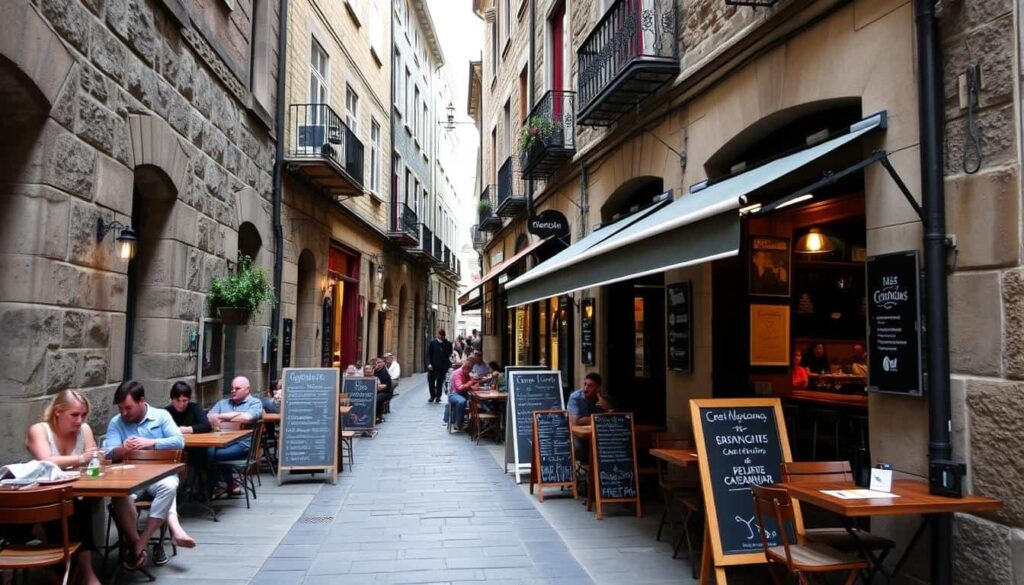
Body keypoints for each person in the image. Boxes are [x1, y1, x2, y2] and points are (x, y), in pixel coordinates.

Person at [104, 380, 196, 570]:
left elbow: (179, 442)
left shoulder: (161, 416)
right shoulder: (117, 422)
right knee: (120, 493)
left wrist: (151, 443)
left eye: (128, 408)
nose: (124, 413)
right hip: (129, 479)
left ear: (141, 401)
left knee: (170, 486)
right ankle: (138, 541)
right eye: (120, 408)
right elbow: (108, 452)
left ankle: (141, 542)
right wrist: (122, 450)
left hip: (157, 476)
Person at [25, 391, 103, 585]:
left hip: (75, 497)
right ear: (58, 412)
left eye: (83, 415)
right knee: (75, 511)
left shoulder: (84, 430)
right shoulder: (40, 430)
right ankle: (82, 573)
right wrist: (81, 459)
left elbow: (92, 462)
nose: (80, 420)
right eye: (74, 415)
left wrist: (96, 459)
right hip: (43, 501)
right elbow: (47, 460)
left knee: (81, 507)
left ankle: (75, 573)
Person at [206, 376, 264, 498]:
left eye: (237, 388)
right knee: (206, 451)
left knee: (210, 454)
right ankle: (227, 485)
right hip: (220, 441)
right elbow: (209, 417)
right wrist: (236, 415)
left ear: (247, 390)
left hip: (242, 445)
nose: (233, 391)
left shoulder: (255, 403)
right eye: (232, 388)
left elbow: (247, 418)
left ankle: (211, 489)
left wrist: (221, 417)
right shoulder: (223, 403)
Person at [567, 373, 612, 465]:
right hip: (577, 435)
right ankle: (588, 471)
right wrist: (603, 415)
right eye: (585, 384)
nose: (586, 389)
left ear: (598, 388)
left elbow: (616, 420)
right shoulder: (575, 397)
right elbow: (575, 422)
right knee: (579, 449)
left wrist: (609, 409)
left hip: (598, 434)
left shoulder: (604, 399)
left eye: (590, 386)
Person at [443, 359, 479, 429]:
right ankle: (458, 422)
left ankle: (473, 423)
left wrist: (474, 385)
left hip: (463, 394)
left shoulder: (467, 374)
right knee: (461, 401)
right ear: (466, 368)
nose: (470, 371)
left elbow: (468, 386)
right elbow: (460, 387)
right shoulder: (457, 373)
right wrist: (470, 382)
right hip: (454, 394)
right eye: (470, 370)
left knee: (476, 400)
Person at [426, 328, 454, 403]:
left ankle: (438, 396)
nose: (442, 337)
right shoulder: (432, 343)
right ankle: (432, 396)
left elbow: (449, 354)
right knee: (431, 382)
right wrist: (429, 364)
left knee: (440, 382)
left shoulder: (448, 344)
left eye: (443, 336)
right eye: (440, 336)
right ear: (437, 335)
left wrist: (444, 344)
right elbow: (429, 354)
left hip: (442, 367)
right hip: (432, 367)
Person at [372, 357, 394, 423]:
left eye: (379, 362)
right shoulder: (374, 371)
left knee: (376, 398)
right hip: (376, 391)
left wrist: (374, 387)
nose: (377, 364)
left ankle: (378, 416)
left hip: (386, 392)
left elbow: (385, 386)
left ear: (383, 364)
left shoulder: (384, 372)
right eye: (376, 362)